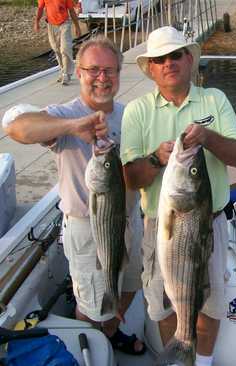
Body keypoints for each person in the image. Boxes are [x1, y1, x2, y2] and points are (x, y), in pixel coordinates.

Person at [4, 36, 146, 355]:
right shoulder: (62, 113)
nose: (102, 77)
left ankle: (109, 333)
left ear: (119, 74)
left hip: (129, 220)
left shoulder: (129, 114)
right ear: (79, 72)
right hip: (87, 226)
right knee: (91, 303)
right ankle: (86, 348)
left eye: (109, 70)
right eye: (93, 69)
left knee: (130, 284)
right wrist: (72, 126)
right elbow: (15, 128)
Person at [120, 26, 236, 366]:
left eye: (176, 55)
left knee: (210, 306)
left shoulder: (214, 100)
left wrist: (208, 137)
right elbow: (130, 180)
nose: (168, 63)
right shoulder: (137, 110)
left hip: (209, 225)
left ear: (189, 59)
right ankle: (178, 356)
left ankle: (199, 361)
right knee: (163, 307)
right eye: (160, 59)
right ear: (150, 68)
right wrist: (154, 160)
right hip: (160, 226)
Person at [34, 0, 81, 85]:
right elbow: (40, 8)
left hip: (64, 23)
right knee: (56, 49)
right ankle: (63, 71)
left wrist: (77, 27)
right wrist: (36, 22)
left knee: (65, 49)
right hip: (51, 25)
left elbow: (71, 10)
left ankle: (66, 74)